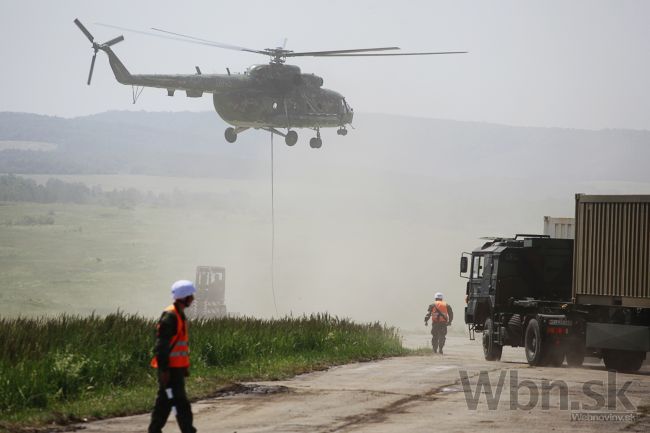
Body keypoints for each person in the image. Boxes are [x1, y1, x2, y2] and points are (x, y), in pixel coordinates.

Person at [148, 280, 198, 433]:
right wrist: (164, 370)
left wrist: (184, 367)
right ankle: (187, 430)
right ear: (184, 297)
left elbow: (179, 346)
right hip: (169, 369)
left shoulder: (178, 314)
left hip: (175, 369)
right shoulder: (171, 316)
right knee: (180, 403)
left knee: (165, 402)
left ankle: (155, 430)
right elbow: (161, 346)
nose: (193, 299)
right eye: (191, 295)